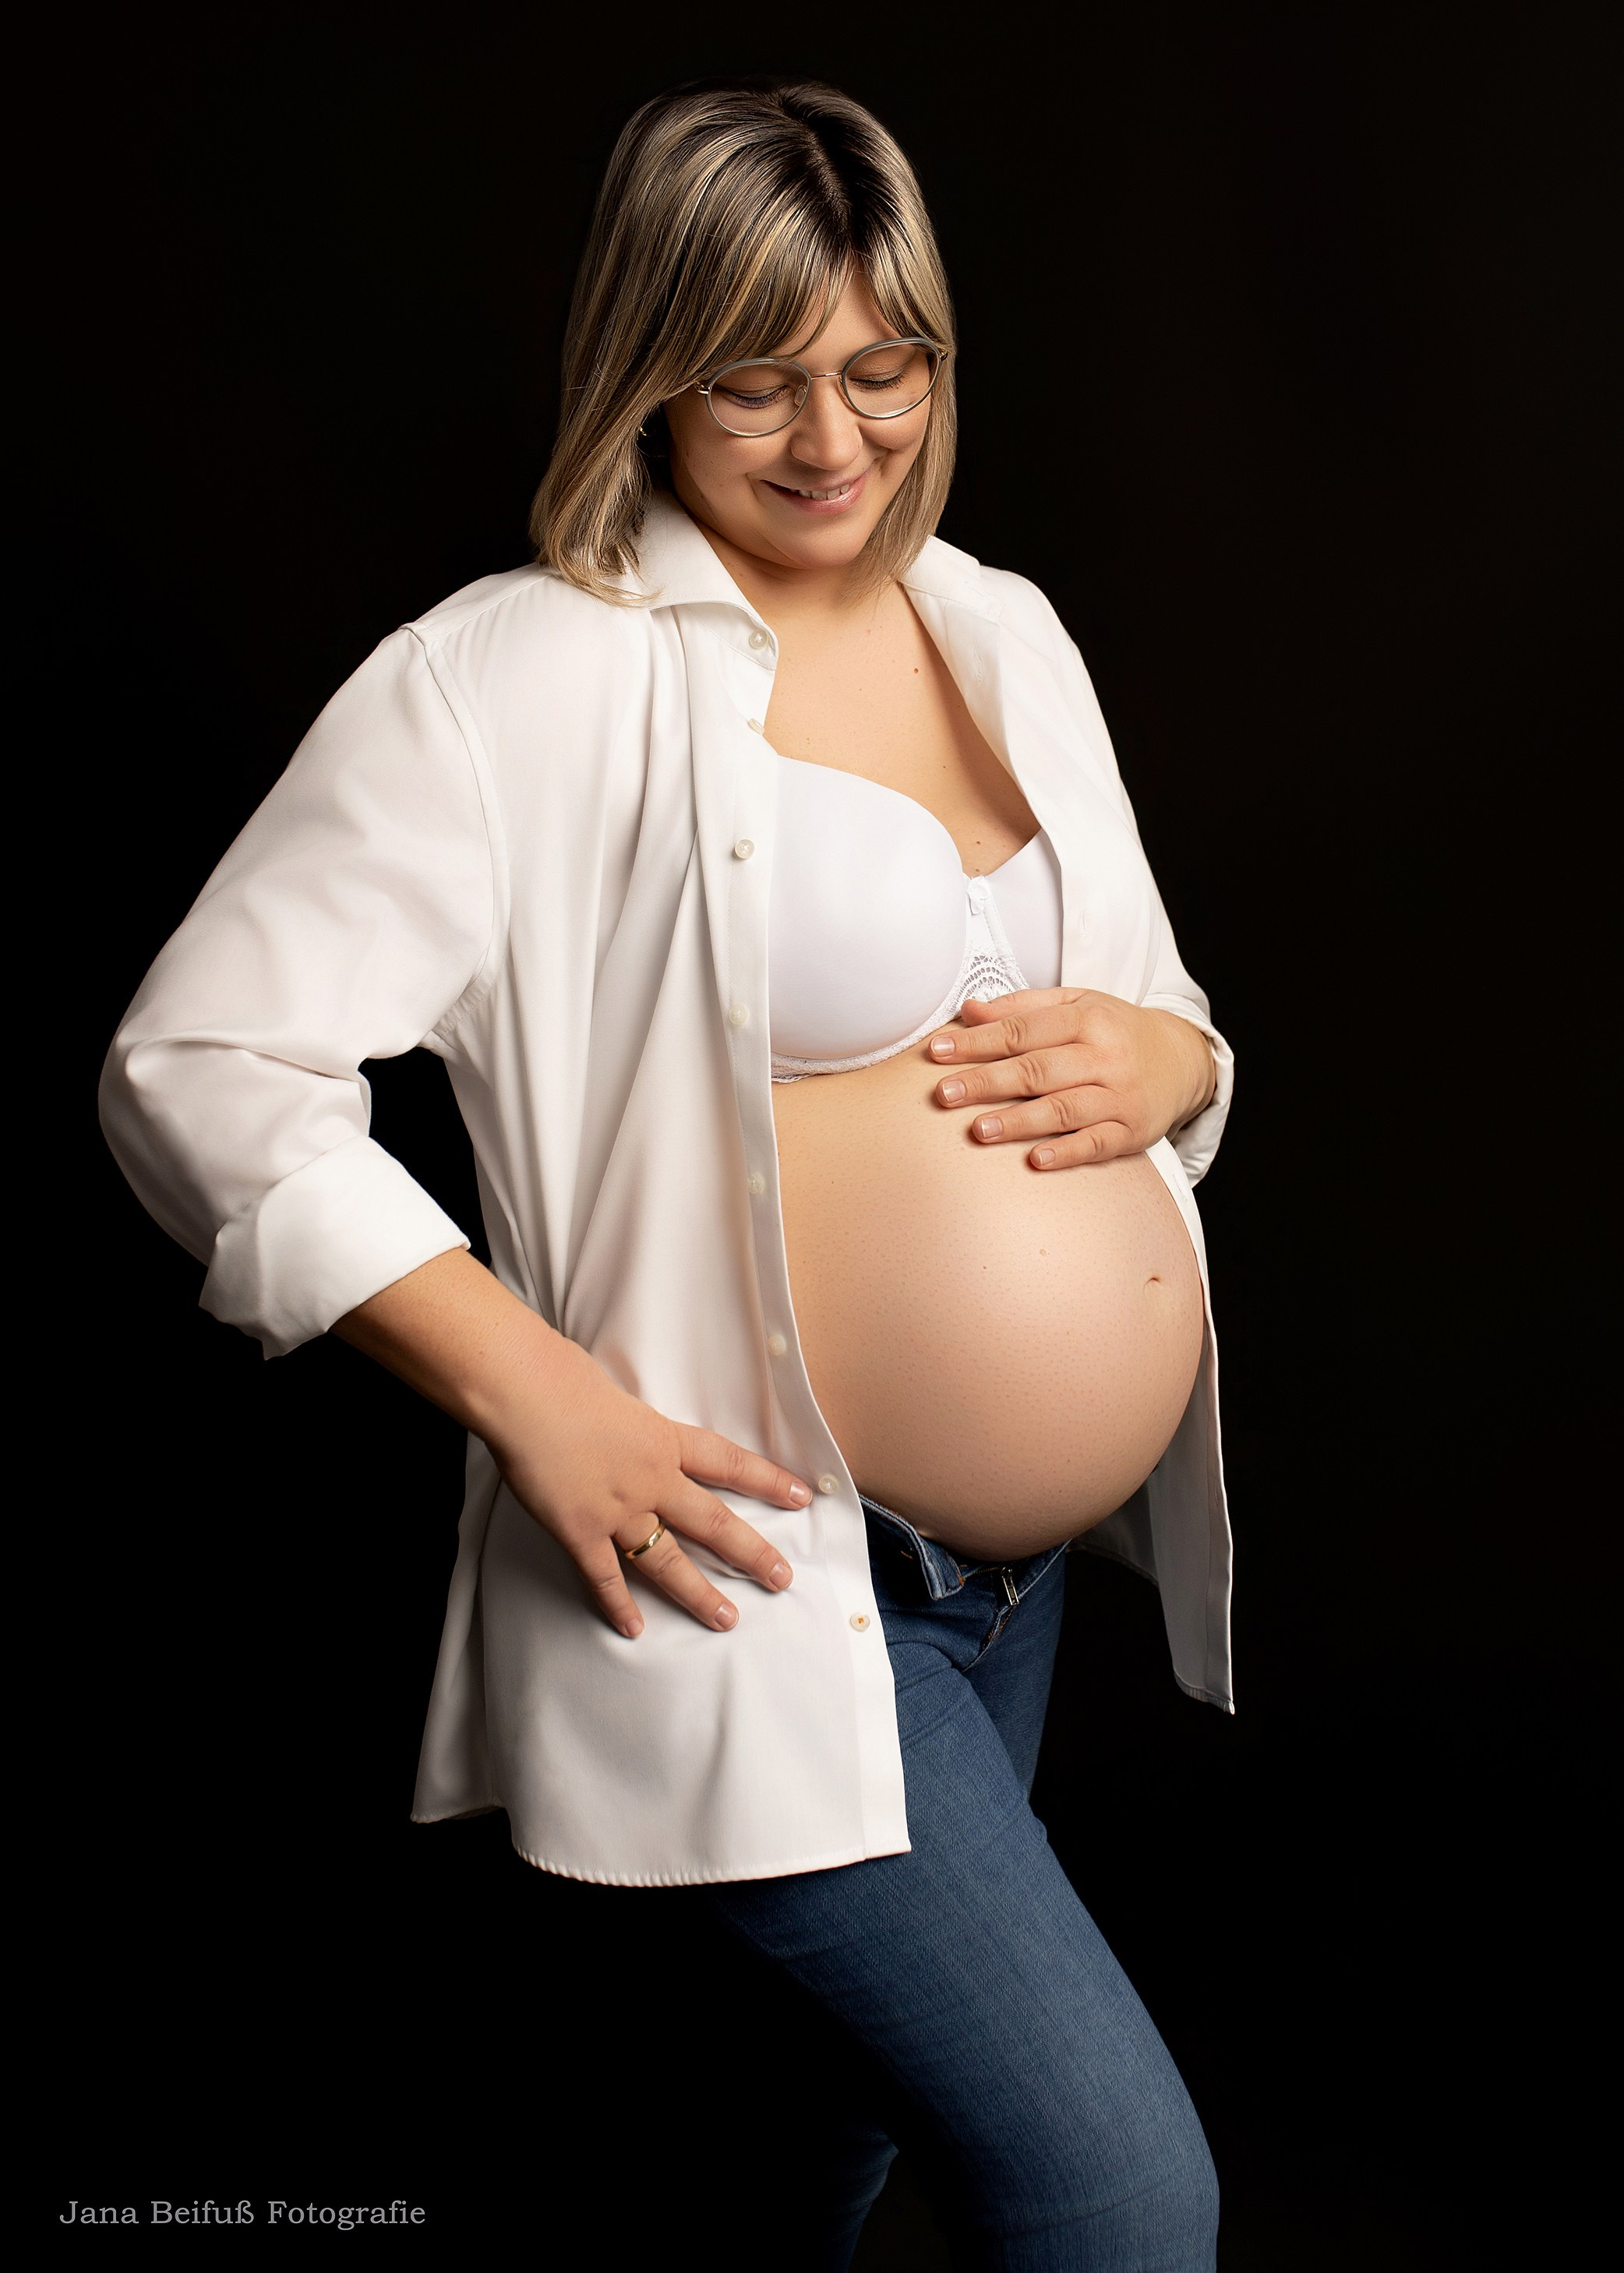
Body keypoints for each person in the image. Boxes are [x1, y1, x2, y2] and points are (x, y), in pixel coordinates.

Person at [101, 78, 1233, 2269]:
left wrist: (1167, 1056)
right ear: (643, 360)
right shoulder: (511, 678)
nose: (835, 437)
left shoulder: (999, 630)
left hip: (998, 1603)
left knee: (783, 2171)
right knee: (1108, 2193)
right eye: (755, 377)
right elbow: (200, 1061)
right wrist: (540, 1398)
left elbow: (1159, 1022)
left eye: (882, 368)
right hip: (749, 1578)